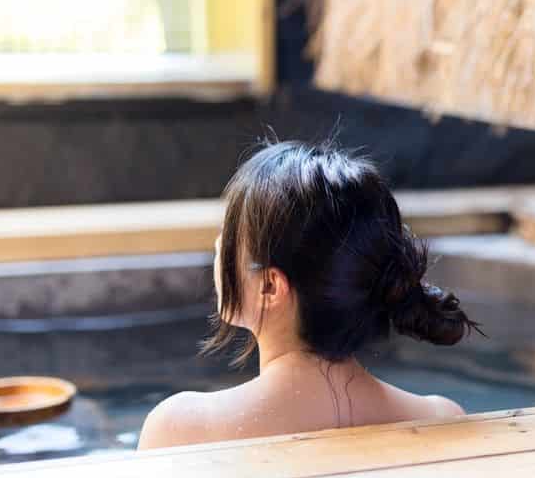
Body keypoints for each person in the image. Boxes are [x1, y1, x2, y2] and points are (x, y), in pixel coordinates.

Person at [138, 141, 480, 450]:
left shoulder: (180, 432)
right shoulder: (441, 419)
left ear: (270, 287)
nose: (217, 247)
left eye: (227, 239)